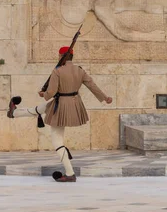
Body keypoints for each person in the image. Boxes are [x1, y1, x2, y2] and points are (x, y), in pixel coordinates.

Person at [7, 46, 113, 182]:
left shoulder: (58, 71)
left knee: (57, 141)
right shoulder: (80, 70)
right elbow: (92, 86)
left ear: (61, 56)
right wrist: (105, 97)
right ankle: (14, 112)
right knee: (42, 108)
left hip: (61, 105)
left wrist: (43, 94)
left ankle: (70, 173)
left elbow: (50, 93)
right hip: (74, 104)